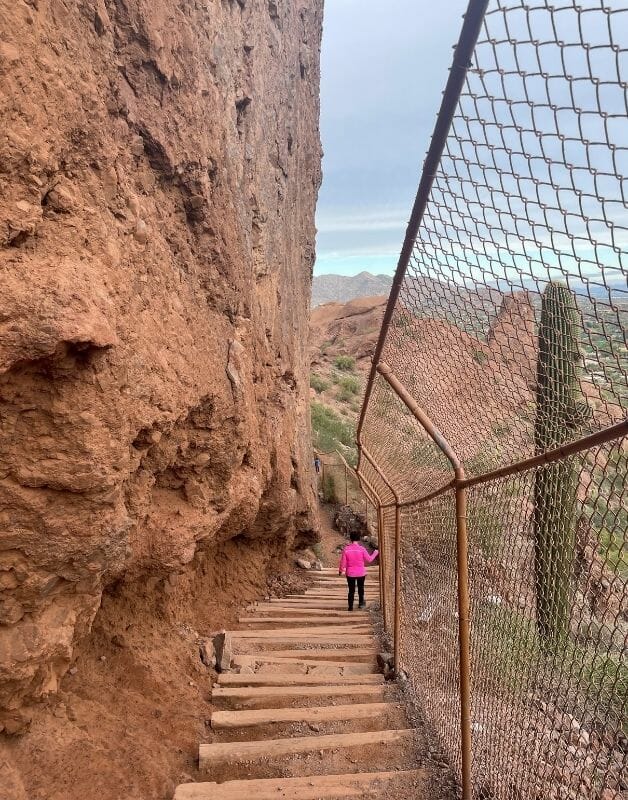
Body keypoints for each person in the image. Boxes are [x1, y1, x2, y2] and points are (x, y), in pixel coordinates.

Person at [338, 531, 379, 611]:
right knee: (361, 588)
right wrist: (375, 553)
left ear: (350, 538)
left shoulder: (346, 549)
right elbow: (369, 559)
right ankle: (361, 603)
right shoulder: (362, 549)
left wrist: (340, 570)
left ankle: (350, 607)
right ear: (359, 539)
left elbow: (343, 562)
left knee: (351, 590)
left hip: (350, 573)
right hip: (360, 573)